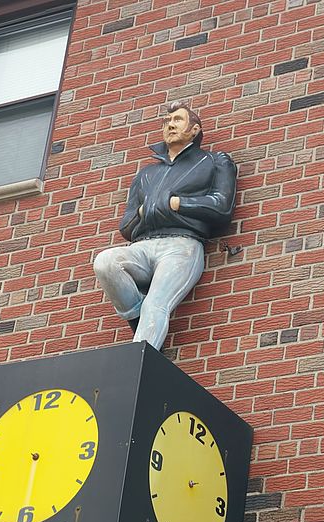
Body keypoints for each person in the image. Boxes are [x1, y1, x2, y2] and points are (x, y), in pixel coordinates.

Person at [93, 101, 237, 350]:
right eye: (166, 121)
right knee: (105, 263)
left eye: (178, 120)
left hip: (182, 245)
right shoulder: (147, 174)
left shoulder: (214, 162)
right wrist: (142, 210)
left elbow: (221, 205)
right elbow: (126, 225)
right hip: (143, 245)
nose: (170, 125)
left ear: (194, 130)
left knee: (156, 303)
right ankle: (140, 321)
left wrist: (177, 203)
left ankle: (138, 360)